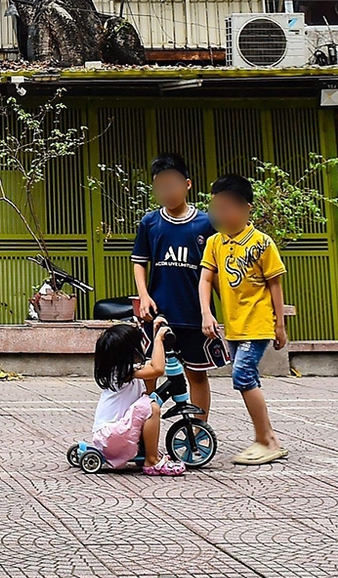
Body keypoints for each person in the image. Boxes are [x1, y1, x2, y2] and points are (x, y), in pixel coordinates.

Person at [198, 174, 288, 466]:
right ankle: (268, 438)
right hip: (234, 326)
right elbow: (205, 279)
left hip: (258, 324)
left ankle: (266, 440)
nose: (222, 213)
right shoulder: (215, 243)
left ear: (246, 207)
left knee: (243, 376)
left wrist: (280, 325)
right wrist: (207, 313)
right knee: (247, 378)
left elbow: (275, 284)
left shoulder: (262, 243)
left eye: (228, 207)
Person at [131, 152, 215, 420]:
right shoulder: (150, 222)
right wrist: (144, 296)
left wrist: (209, 312)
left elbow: (214, 271)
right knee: (151, 372)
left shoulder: (207, 223)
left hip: (192, 312)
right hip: (158, 313)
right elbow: (139, 262)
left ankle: (199, 432)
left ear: (188, 184)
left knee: (196, 374)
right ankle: (145, 430)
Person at [89, 319, 186, 476]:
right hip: (112, 436)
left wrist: (156, 333)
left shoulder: (125, 370)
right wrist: (158, 340)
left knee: (149, 403)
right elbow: (158, 369)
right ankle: (152, 461)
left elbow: (151, 384)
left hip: (109, 437)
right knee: (151, 406)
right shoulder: (123, 372)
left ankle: (148, 454)